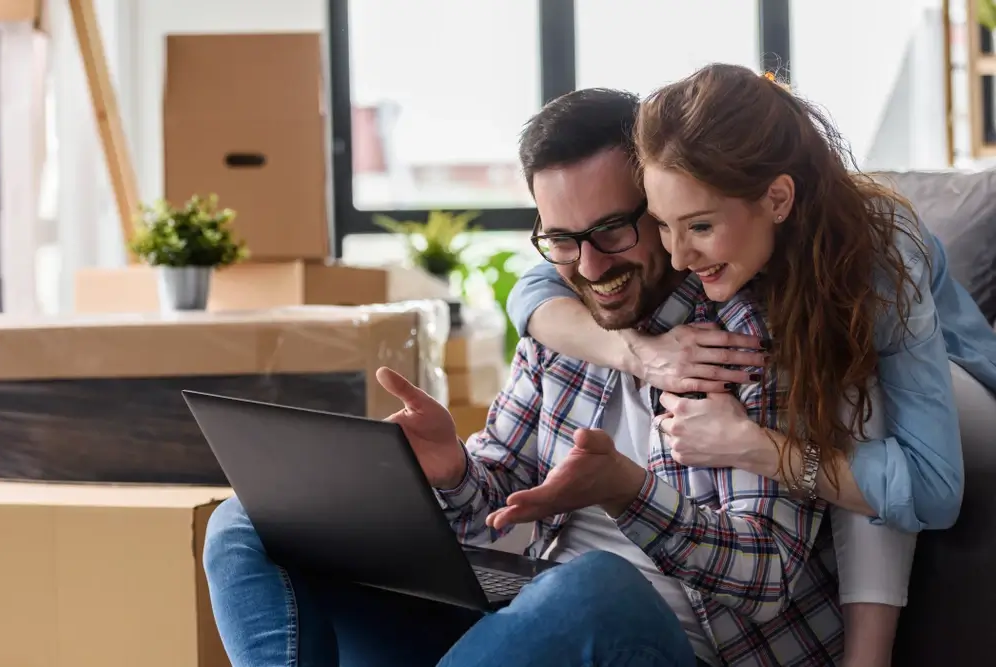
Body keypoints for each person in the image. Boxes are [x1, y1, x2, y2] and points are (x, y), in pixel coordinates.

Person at [203, 84, 872, 667]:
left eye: (611, 229)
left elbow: (768, 576)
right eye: (560, 238)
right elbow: (491, 505)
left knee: (595, 586)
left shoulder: (749, 335)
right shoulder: (564, 326)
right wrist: (452, 472)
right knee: (246, 520)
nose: (587, 265)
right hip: (530, 624)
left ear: (662, 204)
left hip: (684, 643)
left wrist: (627, 491)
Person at [493, 65, 970, 667]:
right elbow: (534, 289)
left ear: (776, 200)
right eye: (662, 226)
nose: (676, 255)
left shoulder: (874, 265)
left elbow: (929, 491)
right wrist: (640, 352)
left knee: (854, 398)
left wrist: (756, 446)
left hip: (960, 376)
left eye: (697, 228)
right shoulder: (693, 199)